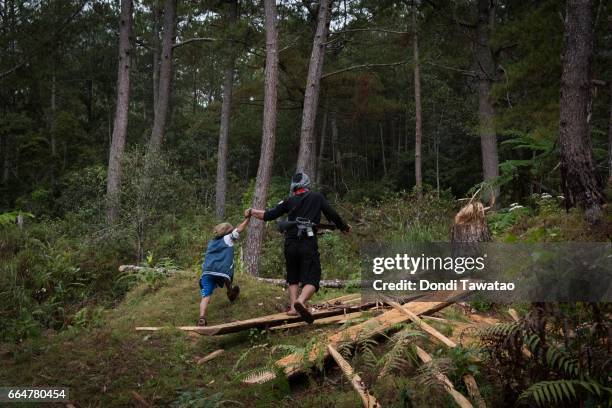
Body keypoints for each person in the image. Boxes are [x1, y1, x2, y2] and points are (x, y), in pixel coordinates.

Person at [247, 172, 351, 323]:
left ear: (293, 186)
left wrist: (251, 211)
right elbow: (333, 214)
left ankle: (293, 308)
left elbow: (268, 215)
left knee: (293, 276)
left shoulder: (288, 201)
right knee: (313, 277)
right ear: (307, 184)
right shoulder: (317, 197)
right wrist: (344, 227)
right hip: (307, 242)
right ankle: (300, 301)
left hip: (290, 243)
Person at [197, 213, 251, 327]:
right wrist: (248, 219)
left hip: (207, 271)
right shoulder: (228, 238)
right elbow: (239, 229)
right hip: (221, 270)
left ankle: (201, 317)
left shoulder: (211, 242)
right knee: (226, 277)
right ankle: (230, 292)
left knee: (205, 296)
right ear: (227, 231)